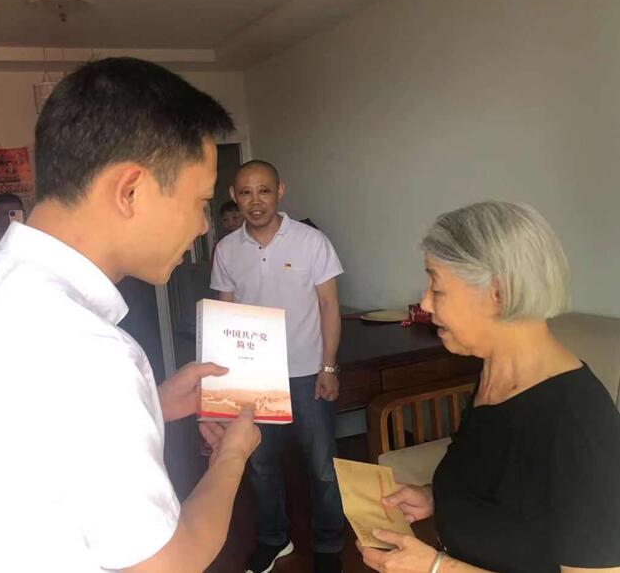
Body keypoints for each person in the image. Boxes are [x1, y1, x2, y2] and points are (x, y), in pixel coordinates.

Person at [0, 57, 261, 573]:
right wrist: (232, 457)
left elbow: (7, 446)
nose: (204, 225)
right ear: (130, 190)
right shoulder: (86, 349)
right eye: (200, 201)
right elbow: (167, 564)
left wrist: (149, 404)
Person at [358, 201, 620, 573]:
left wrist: (436, 568)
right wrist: (434, 498)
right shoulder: (494, 376)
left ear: (498, 293)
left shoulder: (577, 424)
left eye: (437, 286)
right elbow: (493, 485)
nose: (425, 303)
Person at [210, 159, 345, 573]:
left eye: (264, 191)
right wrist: (225, 384)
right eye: (246, 193)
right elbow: (225, 315)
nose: (256, 201)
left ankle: (329, 544)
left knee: (322, 466)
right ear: (234, 196)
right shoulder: (226, 249)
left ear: (280, 191)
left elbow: (329, 305)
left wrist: (328, 367)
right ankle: (274, 538)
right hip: (254, 378)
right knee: (260, 463)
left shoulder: (310, 241)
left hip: (307, 372)